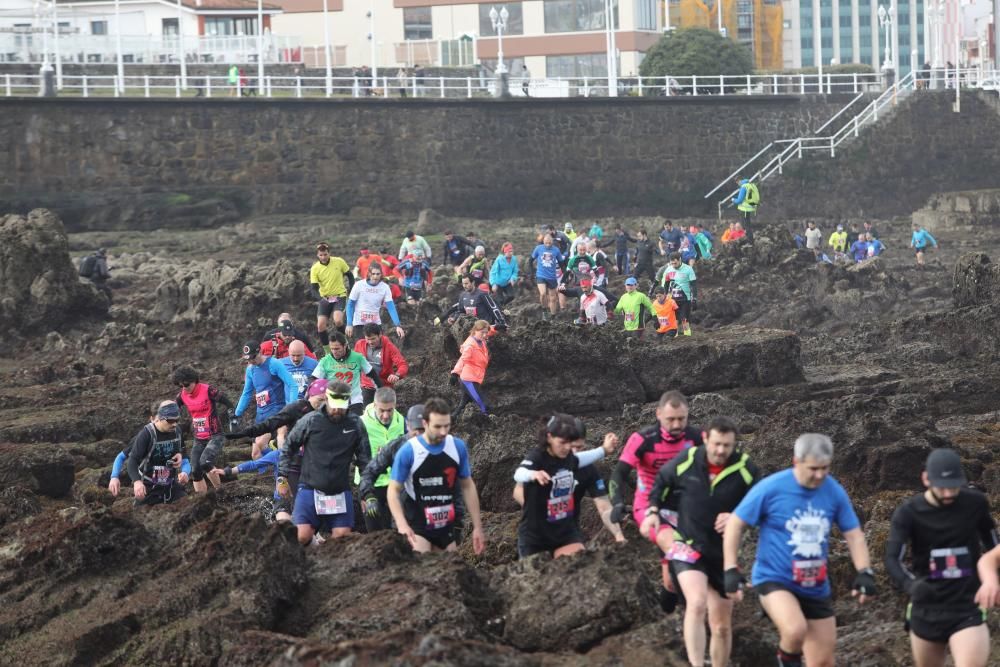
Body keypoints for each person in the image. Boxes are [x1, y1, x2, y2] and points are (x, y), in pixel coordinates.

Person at [723, 433, 877, 667]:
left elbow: (854, 535)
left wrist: (865, 572)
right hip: (774, 578)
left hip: (815, 584)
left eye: (825, 468)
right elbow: (735, 523)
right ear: (796, 461)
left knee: (823, 661)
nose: (819, 475)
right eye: (813, 468)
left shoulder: (833, 491)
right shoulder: (772, 488)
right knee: (795, 630)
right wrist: (730, 568)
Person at [641, 417, 760, 667]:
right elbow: (661, 483)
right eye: (716, 444)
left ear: (734, 444)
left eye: (727, 446)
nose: (720, 451)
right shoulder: (688, 460)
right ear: (705, 438)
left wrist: (738, 517)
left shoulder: (745, 468)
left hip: (722, 554)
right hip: (687, 544)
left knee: (721, 627)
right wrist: (652, 511)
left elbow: (761, 504)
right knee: (696, 603)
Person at [885, 449, 997, 667]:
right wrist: (911, 585)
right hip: (926, 607)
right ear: (926, 478)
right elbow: (891, 559)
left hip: (967, 605)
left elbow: (994, 546)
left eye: (954, 487)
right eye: (942, 487)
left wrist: (993, 579)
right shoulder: (908, 512)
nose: (948, 494)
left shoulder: (975, 504)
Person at [610, 390, 704, 612]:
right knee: (679, 551)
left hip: (685, 508)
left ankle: (664, 621)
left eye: (681, 418)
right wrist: (616, 503)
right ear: (658, 413)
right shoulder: (643, 440)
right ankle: (694, 614)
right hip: (650, 509)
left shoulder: (697, 438)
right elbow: (618, 475)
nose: (676, 424)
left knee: (671, 582)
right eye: (671, 419)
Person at [386, 397, 486, 554]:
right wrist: (401, 524)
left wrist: (478, 527)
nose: (443, 432)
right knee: (423, 563)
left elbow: (467, 485)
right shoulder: (408, 451)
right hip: (417, 523)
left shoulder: (457, 447)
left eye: (447, 426)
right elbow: (393, 490)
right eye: (437, 426)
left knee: (449, 570)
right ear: (425, 424)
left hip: (446, 524)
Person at [512, 414, 619, 558]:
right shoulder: (539, 458)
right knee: (535, 577)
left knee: (575, 569)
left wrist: (619, 535)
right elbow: (519, 477)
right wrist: (533, 476)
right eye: (565, 443)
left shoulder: (577, 463)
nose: (569, 449)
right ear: (550, 438)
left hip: (566, 531)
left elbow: (604, 507)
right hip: (535, 534)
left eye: (577, 446)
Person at [279, 380, 371, 546]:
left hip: (339, 490)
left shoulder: (356, 424)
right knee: (301, 536)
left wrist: (366, 493)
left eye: (342, 405)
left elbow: (365, 461)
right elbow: (288, 447)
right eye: (334, 404)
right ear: (327, 399)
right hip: (310, 487)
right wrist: (282, 477)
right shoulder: (311, 420)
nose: (337, 409)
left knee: (342, 538)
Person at [225, 378, 330, 522]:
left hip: (319, 465)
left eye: (327, 400)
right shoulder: (298, 408)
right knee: (297, 506)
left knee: (320, 507)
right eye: (320, 399)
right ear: (310, 395)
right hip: (295, 465)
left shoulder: (332, 413)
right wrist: (245, 433)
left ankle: (316, 534)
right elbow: (270, 424)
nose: (323, 403)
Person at [108, 400, 190, 497]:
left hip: (170, 484)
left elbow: (185, 459)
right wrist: (115, 477)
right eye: (170, 420)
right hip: (148, 486)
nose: (174, 424)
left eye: (177, 420)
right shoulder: (146, 435)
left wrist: (185, 472)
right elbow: (128, 459)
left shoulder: (177, 432)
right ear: (156, 418)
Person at [234, 340, 300, 459]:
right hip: (261, 413)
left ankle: (284, 466)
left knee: (260, 443)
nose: (250, 361)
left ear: (259, 352)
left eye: (253, 358)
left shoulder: (274, 364)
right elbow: (247, 393)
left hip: (276, 409)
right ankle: (274, 468)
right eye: (248, 359)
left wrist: (291, 407)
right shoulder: (250, 369)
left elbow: (292, 385)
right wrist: (236, 413)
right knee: (255, 454)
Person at [173, 366, 234, 494]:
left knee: (205, 463)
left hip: (215, 435)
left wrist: (232, 415)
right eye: (180, 385)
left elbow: (227, 402)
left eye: (186, 384)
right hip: (199, 438)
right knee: (195, 469)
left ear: (194, 380)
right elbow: (172, 409)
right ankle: (202, 500)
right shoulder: (182, 395)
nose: (184, 388)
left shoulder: (208, 390)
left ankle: (220, 492)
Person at [359, 403, 425, 520]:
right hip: (403, 507)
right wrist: (368, 496)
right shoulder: (396, 446)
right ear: (408, 426)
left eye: (423, 430)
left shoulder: (443, 447)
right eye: (416, 429)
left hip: (431, 507)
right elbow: (369, 471)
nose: (419, 434)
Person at [356, 386, 406, 532]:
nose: (385, 415)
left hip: (396, 483)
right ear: (374, 405)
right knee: (374, 532)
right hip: (371, 486)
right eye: (381, 410)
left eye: (389, 410)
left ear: (395, 406)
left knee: (397, 530)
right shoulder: (361, 423)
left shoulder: (402, 421)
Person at [312, 332, 382, 416]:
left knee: (355, 426)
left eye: (337, 349)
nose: (334, 352)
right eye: (332, 349)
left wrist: (381, 392)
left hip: (354, 401)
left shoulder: (358, 357)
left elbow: (372, 374)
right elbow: (314, 380)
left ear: (345, 345)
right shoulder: (325, 361)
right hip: (334, 402)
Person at [310, 242, 354, 352]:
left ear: (329, 253)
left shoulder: (339, 261)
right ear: (317, 255)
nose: (323, 257)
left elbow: (350, 275)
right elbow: (313, 288)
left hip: (339, 296)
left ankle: (345, 346)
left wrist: (352, 288)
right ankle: (327, 352)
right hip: (325, 298)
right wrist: (321, 299)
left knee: (338, 320)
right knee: (320, 325)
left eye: (325, 254)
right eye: (321, 255)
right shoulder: (315, 268)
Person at [345, 262, 405, 341]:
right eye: (373, 274)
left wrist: (398, 325)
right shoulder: (359, 285)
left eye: (378, 274)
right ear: (369, 274)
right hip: (360, 323)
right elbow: (350, 304)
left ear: (381, 274)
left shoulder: (385, 287)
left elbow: (391, 307)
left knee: (377, 348)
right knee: (363, 348)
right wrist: (349, 323)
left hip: (375, 323)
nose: (375, 276)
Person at [354, 322, 408, 405]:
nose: (370, 342)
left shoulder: (388, 346)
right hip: (367, 386)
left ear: (380, 335)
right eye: (367, 339)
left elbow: (402, 364)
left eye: (373, 339)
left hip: (384, 386)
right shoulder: (359, 344)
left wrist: (397, 375)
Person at [450, 319, 493, 420]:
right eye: (482, 333)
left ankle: (451, 420)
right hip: (468, 380)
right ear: (475, 331)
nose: (484, 335)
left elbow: (489, 330)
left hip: (475, 378)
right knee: (484, 404)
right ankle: (488, 425)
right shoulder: (470, 345)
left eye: (486, 333)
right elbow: (463, 359)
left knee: (463, 405)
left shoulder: (480, 341)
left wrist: (496, 328)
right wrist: (455, 373)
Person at [658, 253, 697, 336]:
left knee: (684, 318)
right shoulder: (669, 269)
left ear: (680, 260)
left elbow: (694, 285)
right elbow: (666, 285)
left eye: (675, 263)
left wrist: (695, 298)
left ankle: (687, 334)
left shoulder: (688, 269)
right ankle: (674, 335)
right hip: (672, 299)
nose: (673, 265)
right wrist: (664, 297)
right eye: (672, 263)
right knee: (673, 319)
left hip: (685, 299)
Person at [530, 234, 565, 319]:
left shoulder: (556, 250)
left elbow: (561, 264)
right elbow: (530, 260)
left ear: (552, 242)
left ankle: (553, 316)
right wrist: (532, 271)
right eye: (546, 243)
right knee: (542, 294)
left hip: (552, 277)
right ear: (543, 242)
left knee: (553, 298)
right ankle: (544, 311)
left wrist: (565, 275)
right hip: (540, 275)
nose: (548, 245)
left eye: (549, 243)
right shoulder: (538, 248)